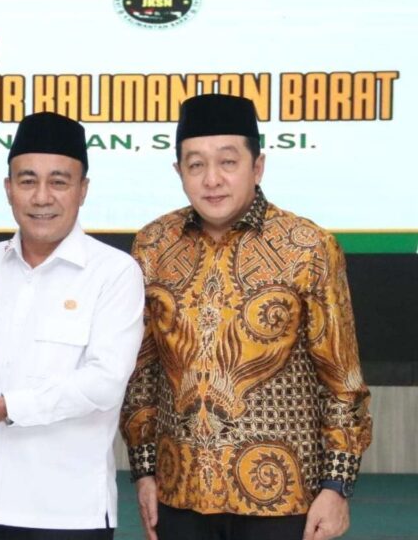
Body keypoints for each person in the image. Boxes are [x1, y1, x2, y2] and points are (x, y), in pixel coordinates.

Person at [120, 94, 373, 540]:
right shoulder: (153, 246)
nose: (211, 179)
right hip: (179, 494)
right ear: (178, 171)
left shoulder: (308, 247)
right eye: (196, 165)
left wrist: (337, 487)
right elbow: (142, 372)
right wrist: (144, 471)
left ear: (257, 167)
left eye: (228, 162)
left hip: (284, 501)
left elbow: (342, 381)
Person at [0, 112, 145, 539]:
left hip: (66, 516)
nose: (42, 197)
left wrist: (6, 408)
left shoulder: (114, 272)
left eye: (59, 182)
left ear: (83, 190)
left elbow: (104, 383)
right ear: (9, 188)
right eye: (27, 181)